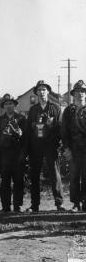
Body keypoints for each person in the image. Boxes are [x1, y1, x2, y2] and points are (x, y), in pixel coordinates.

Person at [25, 80, 64, 212]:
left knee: (55, 174)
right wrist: (28, 149)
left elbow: (60, 128)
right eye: (39, 90)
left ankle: (59, 203)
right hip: (35, 147)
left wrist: (57, 143)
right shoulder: (32, 110)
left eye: (44, 90)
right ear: (36, 93)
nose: (41, 92)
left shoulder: (55, 108)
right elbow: (28, 131)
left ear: (48, 91)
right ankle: (34, 205)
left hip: (50, 146)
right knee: (35, 175)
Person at [63, 81, 86, 211]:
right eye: (77, 92)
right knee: (74, 177)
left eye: (82, 91)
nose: (80, 94)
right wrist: (66, 149)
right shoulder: (68, 111)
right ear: (73, 94)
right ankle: (76, 204)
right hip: (73, 150)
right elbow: (64, 132)